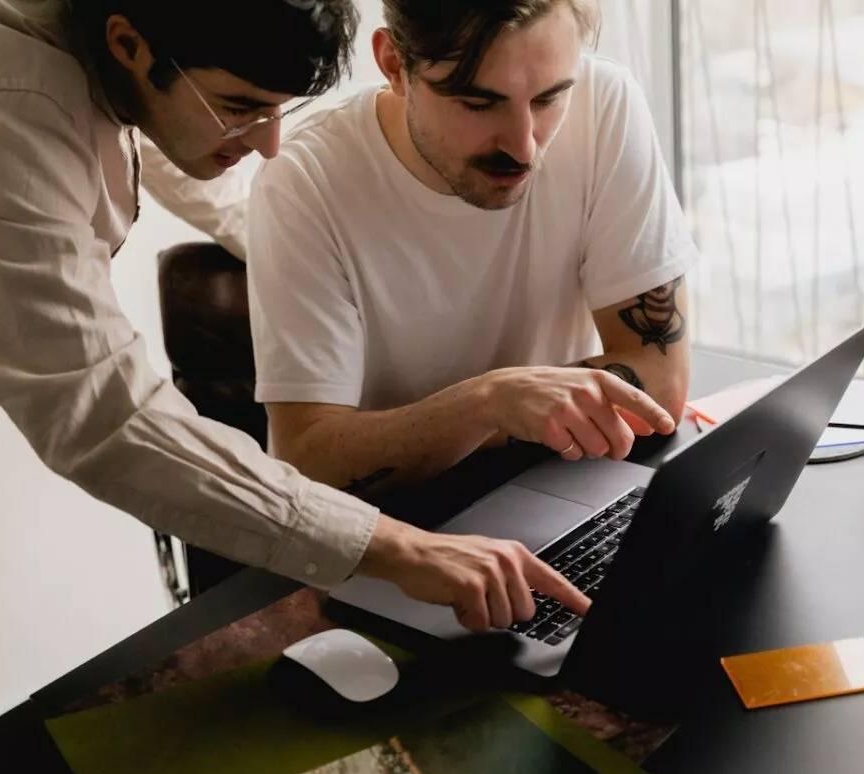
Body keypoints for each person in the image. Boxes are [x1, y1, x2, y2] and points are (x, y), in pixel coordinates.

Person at [0, 0, 590, 753]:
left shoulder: (122, 45)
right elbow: (107, 422)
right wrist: (402, 549)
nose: (272, 143)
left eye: (282, 109)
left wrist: (316, 253)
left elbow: (200, 142)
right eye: (243, 107)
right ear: (128, 42)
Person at [246, 0, 694, 502]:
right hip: (402, 523)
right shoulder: (304, 181)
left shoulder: (604, 104)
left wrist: (501, 411)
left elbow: (660, 381)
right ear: (394, 64)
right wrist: (488, 403)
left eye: (549, 99)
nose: (525, 147)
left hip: (561, 481)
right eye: (479, 104)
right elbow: (306, 462)